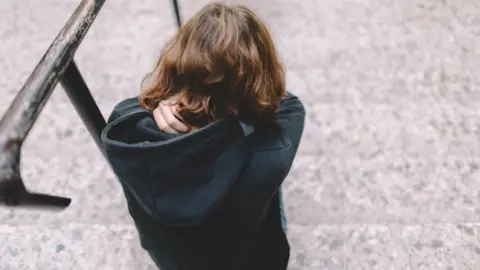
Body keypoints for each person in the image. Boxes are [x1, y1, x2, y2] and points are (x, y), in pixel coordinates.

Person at [101, 3, 305, 269]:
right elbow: (288, 104)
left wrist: (159, 104)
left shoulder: (126, 131)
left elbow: (128, 108)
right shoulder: (270, 155)